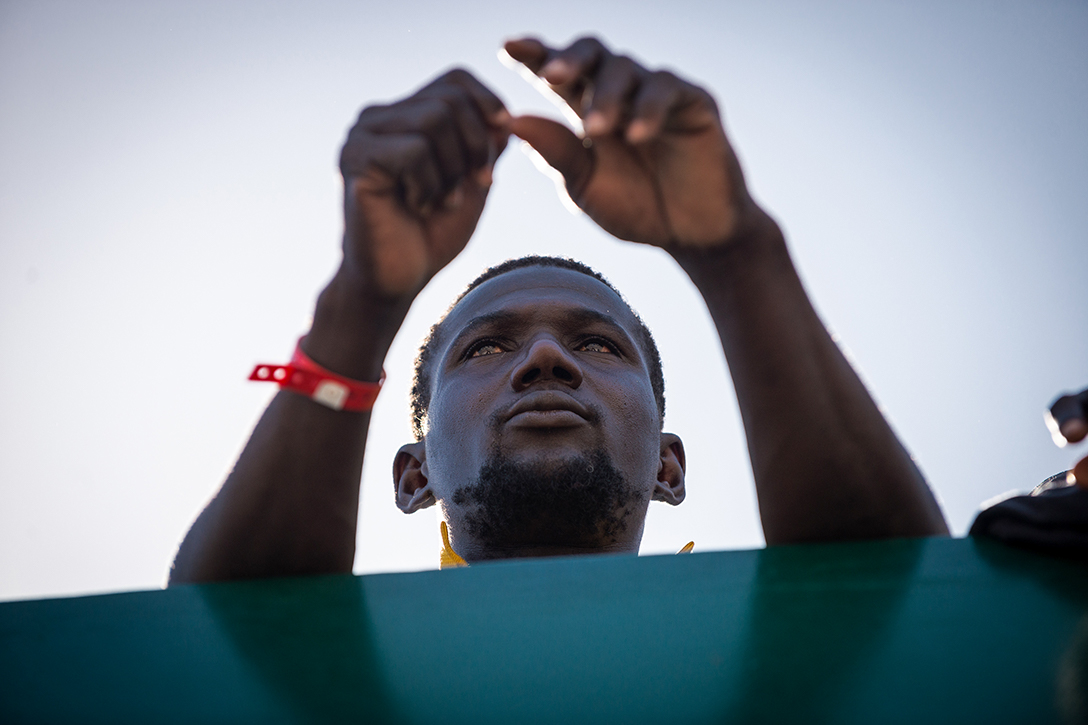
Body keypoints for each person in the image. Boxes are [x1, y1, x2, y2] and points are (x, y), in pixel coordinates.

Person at [169, 36, 948, 584]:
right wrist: (361, 304)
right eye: (483, 349)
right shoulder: (344, 667)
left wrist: (736, 252)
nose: (548, 358)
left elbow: (898, 595)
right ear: (414, 475)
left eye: (601, 345)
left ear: (670, 468)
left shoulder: (778, 647)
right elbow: (224, 634)